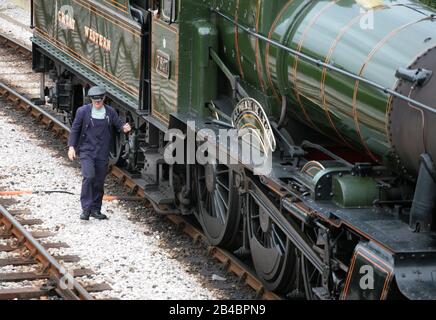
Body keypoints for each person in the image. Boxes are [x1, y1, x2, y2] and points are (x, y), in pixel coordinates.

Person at [67, 86, 132, 220]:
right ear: (91, 100)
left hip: (102, 152)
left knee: (99, 181)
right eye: (95, 100)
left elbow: (119, 125)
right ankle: (86, 209)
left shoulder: (110, 112)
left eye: (99, 100)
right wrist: (71, 147)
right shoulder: (82, 111)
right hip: (87, 151)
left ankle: (96, 209)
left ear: (104, 99)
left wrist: (125, 128)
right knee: (89, 176)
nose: (97, 103)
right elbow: (75, 129)